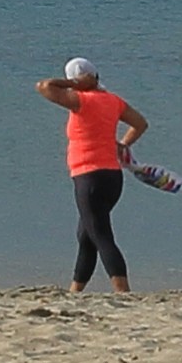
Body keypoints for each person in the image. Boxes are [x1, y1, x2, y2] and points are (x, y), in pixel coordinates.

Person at [37, 57, 146, 291]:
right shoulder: (113, 101)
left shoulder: (80, 101)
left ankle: (123, 292)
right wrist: (122, 145)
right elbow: (140, 124)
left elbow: (44, 86)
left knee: (101, 236)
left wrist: (75, 85)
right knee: (86, 235)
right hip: (112, 178)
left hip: (89, 177)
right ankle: (75, 291)